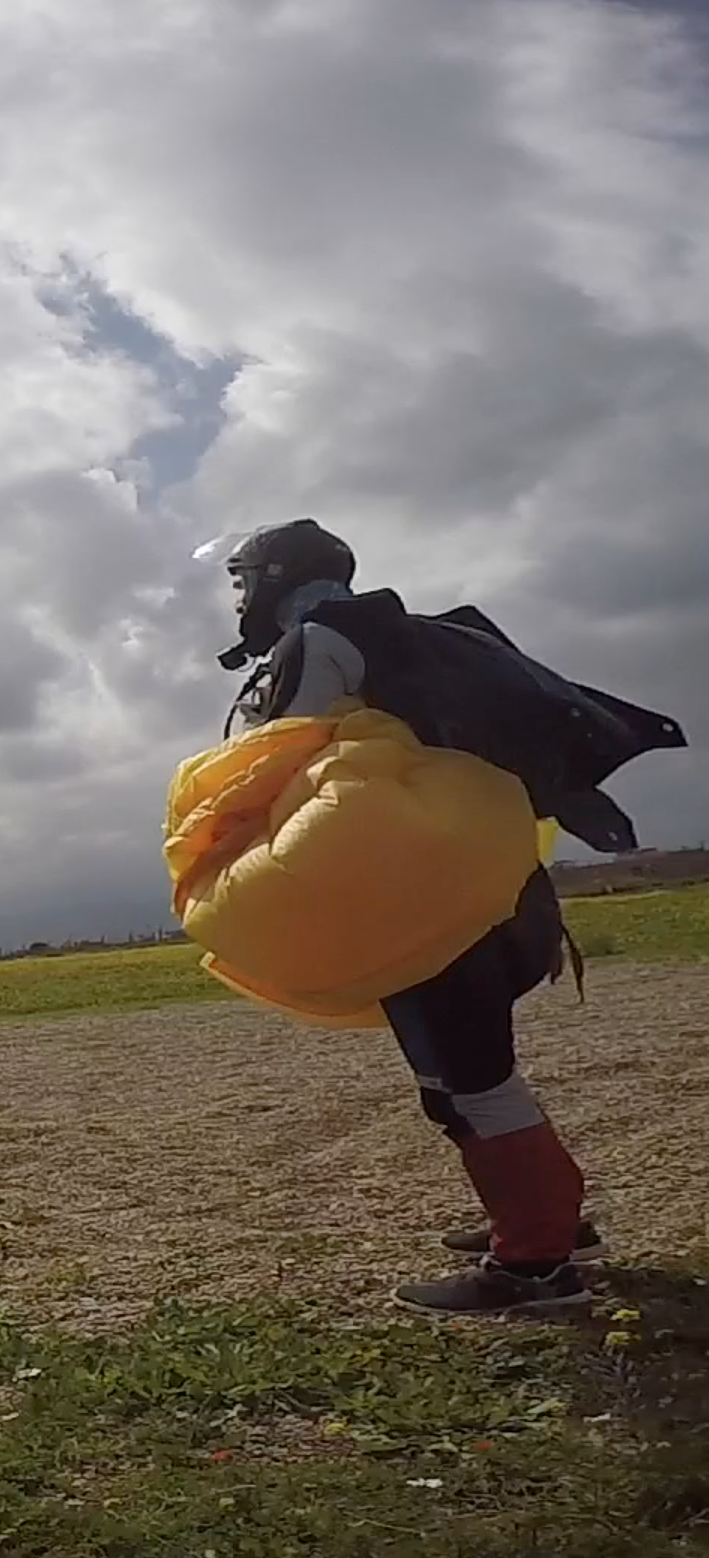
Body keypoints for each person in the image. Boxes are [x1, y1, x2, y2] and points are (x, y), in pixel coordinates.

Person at [215, 516, 681, 1317]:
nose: (240, 600)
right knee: (472, 1077)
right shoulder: (432, 637)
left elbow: (282, 761)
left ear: (274, 577)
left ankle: (537, 1265)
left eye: (244, 582)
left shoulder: (320, 642)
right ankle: (550, 1223)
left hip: (423, 902)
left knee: (469, 1082)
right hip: (502, 889)